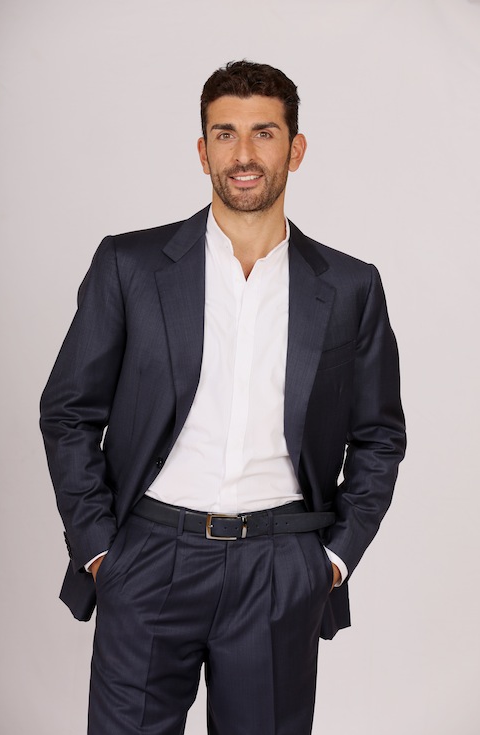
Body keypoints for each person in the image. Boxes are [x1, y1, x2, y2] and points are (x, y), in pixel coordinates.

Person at [40, 60, 406, 735]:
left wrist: (331, 560)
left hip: (279, 565)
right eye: (225, 134)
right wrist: (98, 548)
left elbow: (379, 435)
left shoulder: (350, 287)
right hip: (149, 555)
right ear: (202, 150)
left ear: (296, 149)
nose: (243, 155)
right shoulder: (130, 266)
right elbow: (69, 410)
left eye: (264, 133)